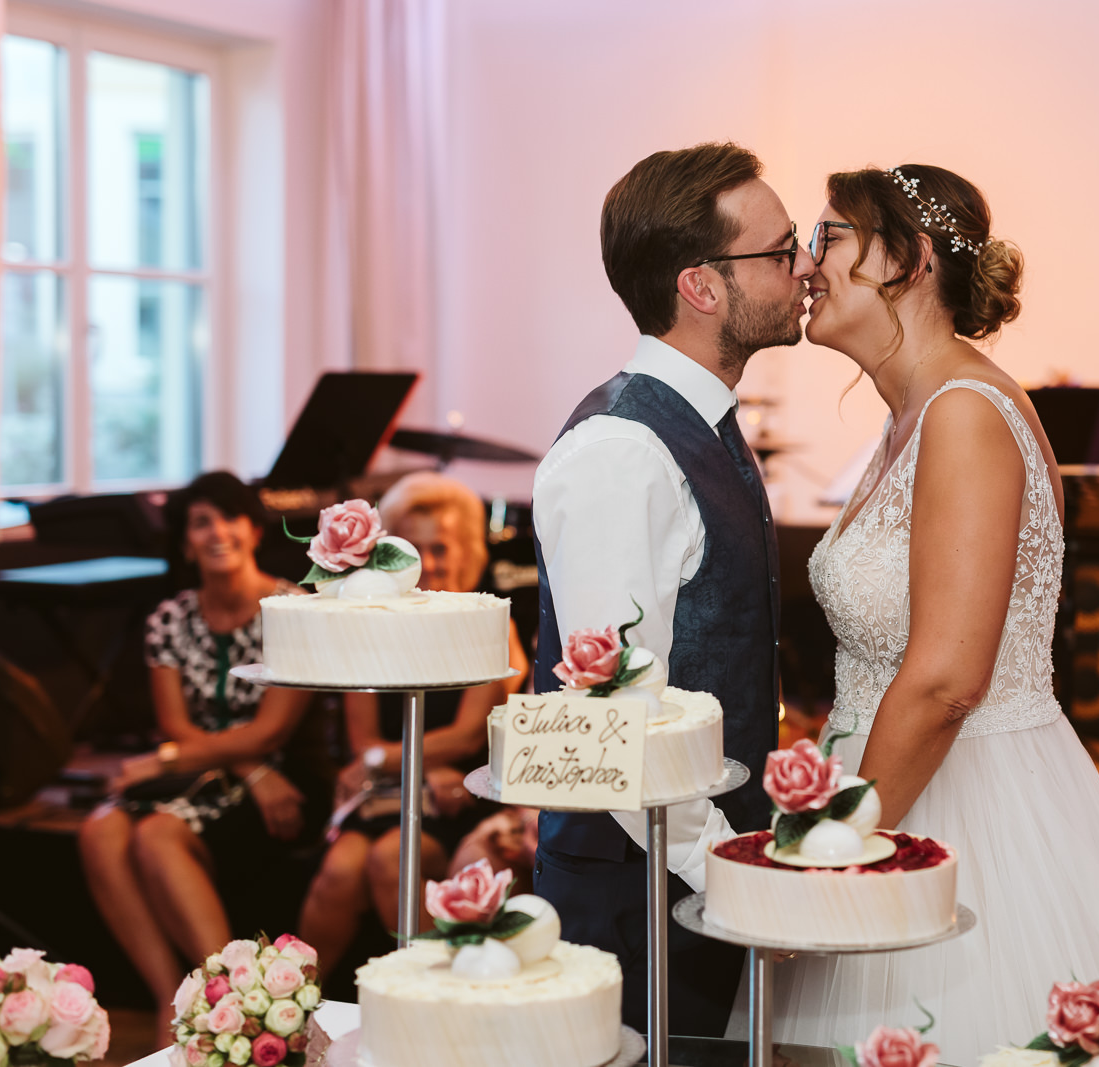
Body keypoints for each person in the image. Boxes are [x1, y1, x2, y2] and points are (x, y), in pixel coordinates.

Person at [761, 165, 1099, 1063]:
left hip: (967, 807)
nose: (804, 262)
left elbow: (949, 676)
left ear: (906, 261)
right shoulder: (908, 415)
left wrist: (841, 855)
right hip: (892, 784)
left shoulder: (965, 414)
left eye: (829, 237)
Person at [531, 142, 813, 1034]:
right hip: (639, 896)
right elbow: (609, 720)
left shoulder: (703, 425)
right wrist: (729, 865)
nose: (804, 267)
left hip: (688, 877)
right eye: (780, 250)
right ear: (702, 285)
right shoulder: (623, 452)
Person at [77, 471, 313, 1012]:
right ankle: (169, 998)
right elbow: (177, 728)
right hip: (211, 773)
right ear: (185, 540)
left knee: (158, 835)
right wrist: (192, 757)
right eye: (200, 522)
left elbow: (272, 730)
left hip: (279, 776)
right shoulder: (169, 618)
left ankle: (228, 998)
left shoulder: (293, 609)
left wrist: (234, 765)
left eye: (229, 517)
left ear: (254, 530)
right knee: (100, 832)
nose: (216, 532)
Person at [297, 471, 530, 977]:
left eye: (442, 546)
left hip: (459, 794)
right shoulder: (373, 622)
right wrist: (416, 768)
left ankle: (435, 1000)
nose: (430, 561)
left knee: (387, 859)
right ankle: (296, 1006)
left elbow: (467, 737)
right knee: (338, 870)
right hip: (394, 789)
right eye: (415, 548)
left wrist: (389, 760)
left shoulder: (487, 622)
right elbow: (362, 739)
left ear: (468, 552)